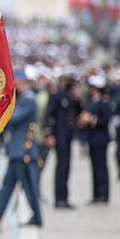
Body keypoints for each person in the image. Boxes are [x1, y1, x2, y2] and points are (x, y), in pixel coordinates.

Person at [0, 68, 43, 226]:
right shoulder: (23, 98)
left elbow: (13, 118)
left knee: (27, 185)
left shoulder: (28, 99)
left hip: (23, 150)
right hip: (17, 150)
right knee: (9, 184)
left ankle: (36, 216)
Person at [44, 70, 81, 208]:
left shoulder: (71, 95)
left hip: (68, 134)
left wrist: (78, 100)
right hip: (59, 133)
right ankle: (59, 198)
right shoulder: (56, 95)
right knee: (61, 165)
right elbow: (49, 116)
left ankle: (64, 197)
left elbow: (77, 112)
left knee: (67, 166)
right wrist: (49, 134)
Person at [80, 74, 113, 205]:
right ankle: (96, 194)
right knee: (94, 167)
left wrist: (91, 119)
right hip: (92, 137)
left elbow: (105, 120)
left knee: (101, 167)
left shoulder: (104, 102)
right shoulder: (92, 101)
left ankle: (103, 194)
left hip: (101, 137)